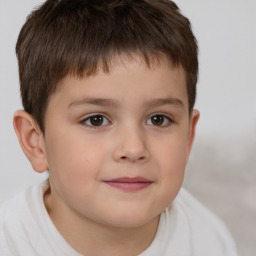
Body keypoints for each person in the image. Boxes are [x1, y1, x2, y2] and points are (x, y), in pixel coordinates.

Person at [0, 0, 238, 255]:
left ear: (188, 137)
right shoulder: (11, 243)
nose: (134, 148)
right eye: (96, 120)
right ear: (35, 141)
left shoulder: (207, 239)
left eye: (158, 119)